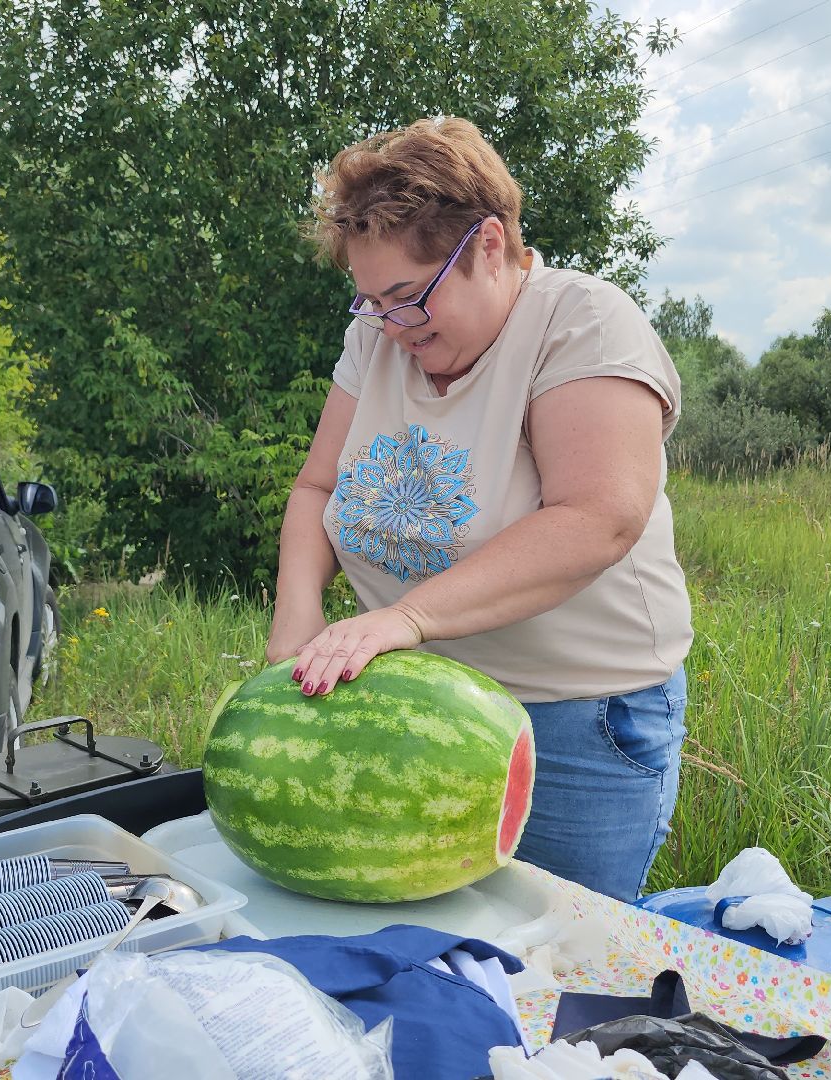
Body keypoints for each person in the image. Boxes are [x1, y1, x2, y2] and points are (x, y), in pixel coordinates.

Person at [266, 116, 694, 902]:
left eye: (407, 297)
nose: (393, 326)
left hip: (574, 723)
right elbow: (315, 489)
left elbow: (599, 515)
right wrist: (296, 617)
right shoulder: (379, 339)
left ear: (488, 247)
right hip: (410, 704)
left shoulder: (582, 323)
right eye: (370, 303)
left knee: (556, 961)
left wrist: (402, 621)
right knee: (439, 958)